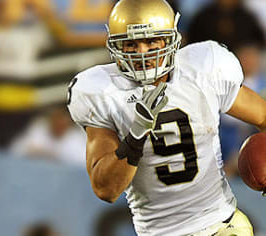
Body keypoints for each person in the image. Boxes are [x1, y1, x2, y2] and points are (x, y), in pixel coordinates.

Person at [67, 0, 266, 235]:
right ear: (115, 45)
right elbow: (106, 189)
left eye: (151, 40)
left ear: (171, 39)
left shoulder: (201, 70)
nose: (142, 52)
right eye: (131, 43)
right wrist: (136, 136)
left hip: (219, 224)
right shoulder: (102, 92)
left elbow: (263, 116)